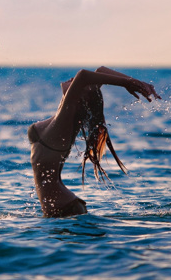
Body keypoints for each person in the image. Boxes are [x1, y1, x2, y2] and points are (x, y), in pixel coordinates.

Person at [28, 66, 159, 217]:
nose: (72, 80)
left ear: (79, 96)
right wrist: (134, 82)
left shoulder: (66, 118)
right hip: (63, 205)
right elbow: (100, 70)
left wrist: (126, 83)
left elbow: (83, 76)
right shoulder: (65, 114)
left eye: (76, 84)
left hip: (64, 207)